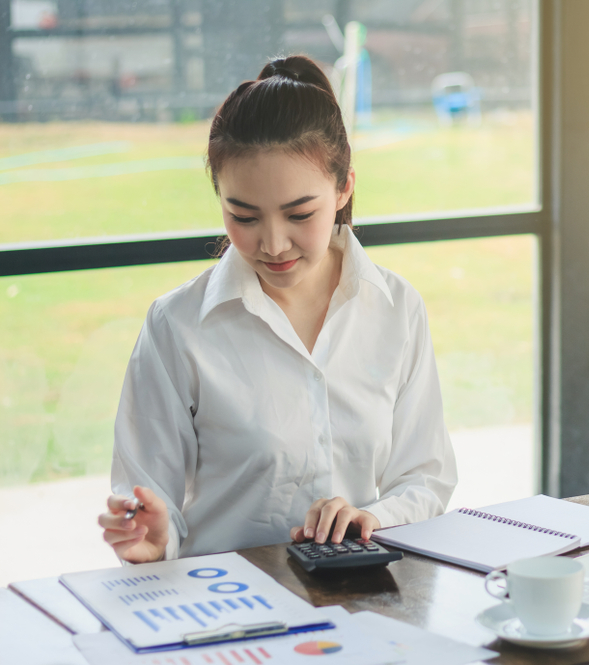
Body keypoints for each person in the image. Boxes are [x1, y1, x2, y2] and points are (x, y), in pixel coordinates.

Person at [97, 55, 457, 563]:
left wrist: (375, 518)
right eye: (242, 215)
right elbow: (148, 493)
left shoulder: (396, 308)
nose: (272, 244)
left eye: (299, 214)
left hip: (361, 597)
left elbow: (426, 475)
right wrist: (154, 539)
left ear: (344, 187)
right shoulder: (177, 326)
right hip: (228, 605)